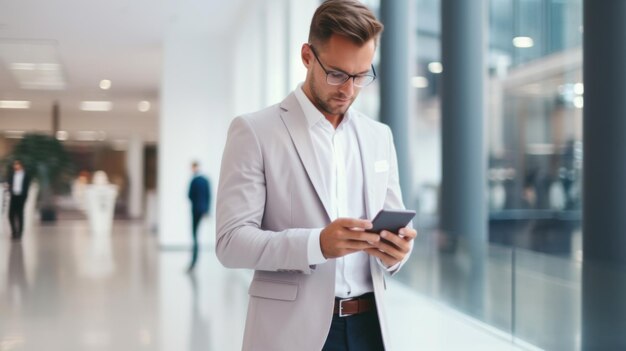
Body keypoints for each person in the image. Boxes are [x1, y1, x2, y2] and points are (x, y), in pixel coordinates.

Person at [216, 1, 417, 350]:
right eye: (337, 74)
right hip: (292, 332)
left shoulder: (378, 136)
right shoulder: (254, 131)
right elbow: (231, 243)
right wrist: (317, 244)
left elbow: (391, 228)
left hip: (371, 327)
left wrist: (397, 252)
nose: (348, 90)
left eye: (361, 76)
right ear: (308, 56)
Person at [187, 161, 211, 272]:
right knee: (196, 235)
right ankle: (194, 260)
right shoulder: (205, 180)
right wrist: (206, 210)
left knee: (194, 235)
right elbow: (209, 196)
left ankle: (194, 261)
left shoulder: (194, 180)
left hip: (195, 211)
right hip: (203, 211)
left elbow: (189, 195)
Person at [7, 160, 31, 241]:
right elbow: (9, 184)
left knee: (19, 215)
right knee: (10, 215)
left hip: (21, 197)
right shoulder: (12, 174)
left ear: (21, 165)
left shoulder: (26, 175)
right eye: (15, 164)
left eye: (17, 164)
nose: (15, 166)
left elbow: (27, 188)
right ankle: (14, 232)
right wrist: (10, 189)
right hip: (13, 196)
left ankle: (20, 233)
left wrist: (25, 197)